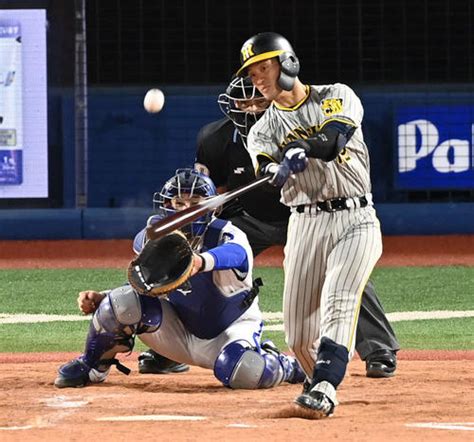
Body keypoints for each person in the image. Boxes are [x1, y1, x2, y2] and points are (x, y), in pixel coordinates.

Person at [139, 75, 399, 379]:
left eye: (258, 101)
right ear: (231, 105)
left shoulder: (295, 124)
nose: (250, 108)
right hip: (251, 218)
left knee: (344, 271)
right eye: (243, 103)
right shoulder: (213, 139)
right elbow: (209, 191)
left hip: (308, 215)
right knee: (197, 257)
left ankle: (378, 348)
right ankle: (170, 349)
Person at [236, 31, 386, 418]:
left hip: (355, 218)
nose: (257, 78)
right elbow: (264, 164)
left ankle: (324, 385)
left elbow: (335, 139)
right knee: (299, 335)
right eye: (251, 73)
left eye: (263, 67)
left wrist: (304, 147)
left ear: (287, 64)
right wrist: (277, 169)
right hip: (304, 225)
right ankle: (316, 373)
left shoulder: (336, 94)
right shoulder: (261, 129)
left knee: (340, 298)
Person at [54, 168, 305, 390]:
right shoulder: (153, 238)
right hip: (178, 330)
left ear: (213, 206)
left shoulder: (228, 234)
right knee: (120, 302)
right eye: (178, 202)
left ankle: (283, 364)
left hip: (227, 332)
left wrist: (199, 261)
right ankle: (93, 366)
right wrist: (104, 298)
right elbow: (148, 286)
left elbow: (235, 255)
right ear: (166, 205)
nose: (186, 209)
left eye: (195, 200)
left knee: (245, 371)